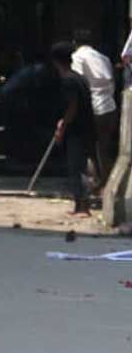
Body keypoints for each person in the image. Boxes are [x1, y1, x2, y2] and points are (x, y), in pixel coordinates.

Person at [51, 41, 97, 217]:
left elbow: (72, 106)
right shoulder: (79, 77)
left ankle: (83, 207)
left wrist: (63, 124)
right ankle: (80, 205)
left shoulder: (68, 80)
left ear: (56, 61)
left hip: (77, 129)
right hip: (86, 127)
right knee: (79, 167)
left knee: (77, 168)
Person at [70, 28, 116, 187]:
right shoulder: (103, 58)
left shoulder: (77, 57)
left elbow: (77, 83)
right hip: (109, 106)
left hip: (91, 107)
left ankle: (92, 182)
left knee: (86, 147)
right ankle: (107, 184)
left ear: (74, 43)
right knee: (104, 147)